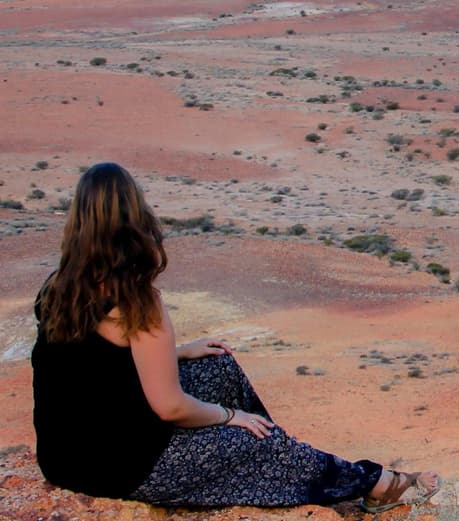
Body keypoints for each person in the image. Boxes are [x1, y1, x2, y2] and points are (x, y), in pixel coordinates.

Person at [29, 163, 436, 512]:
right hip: (123, 468)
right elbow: (169, 407)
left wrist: (176, 352)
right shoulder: (138, 302)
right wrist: (229, 417)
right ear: (136, 220)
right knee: (251, 438)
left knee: (216, 365)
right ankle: (377, 484)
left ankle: (278, 454)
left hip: (66, 457)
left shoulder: (59, 287)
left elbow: (94, 365)